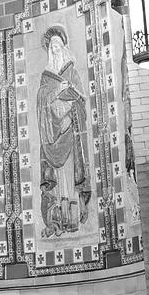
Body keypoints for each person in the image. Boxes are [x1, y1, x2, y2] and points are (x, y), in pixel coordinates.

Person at [36, 24, 91, 237]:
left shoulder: (71, 71)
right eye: (52, 47)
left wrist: (70, 97)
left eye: (58, 45)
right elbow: (42, 100)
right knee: (58, 178)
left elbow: (82, 98)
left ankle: (73, 218)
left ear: (64, 47)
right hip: (53, 134)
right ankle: (56, 220)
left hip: (69, 130)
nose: (55, 49)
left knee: (70, 172)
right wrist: (55, 92)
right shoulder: (46, 76)